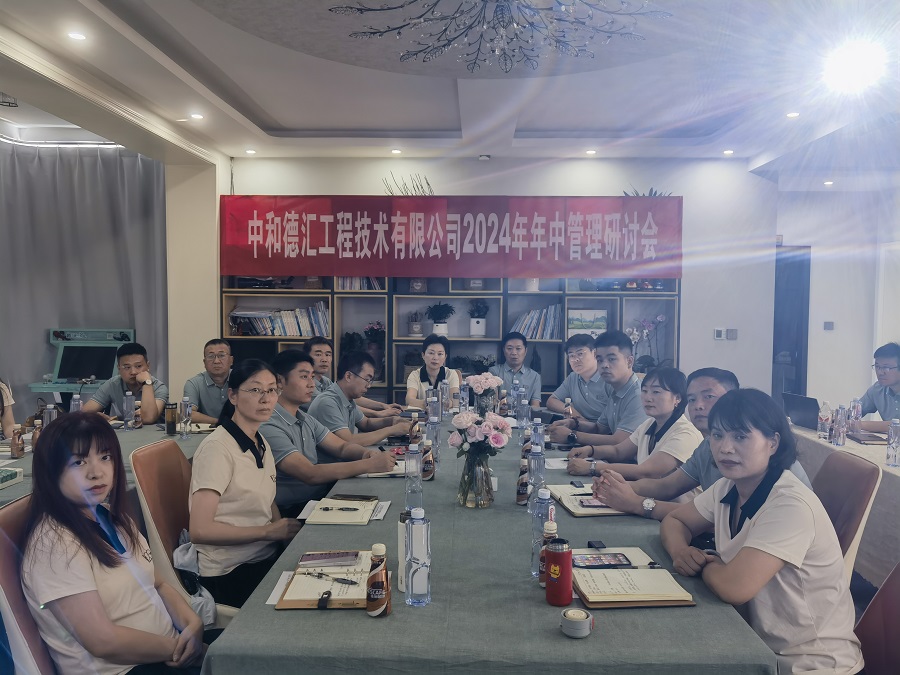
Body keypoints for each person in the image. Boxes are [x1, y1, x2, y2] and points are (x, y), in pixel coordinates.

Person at [661, 389, 863, 674]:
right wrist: (681, 552)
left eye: (740, 437)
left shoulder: (789, 504)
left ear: (773, 443)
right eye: (717, 435)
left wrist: (704, 562)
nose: (725, 448)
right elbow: (675, 521)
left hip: (811, 664)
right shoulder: (728, 486)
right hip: (755, 645)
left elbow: (734, 587)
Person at [21, 412, 211, 674]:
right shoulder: (54, 544)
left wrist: (193, 624)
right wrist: (187, 650)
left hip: (165, 652)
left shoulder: (110, 516)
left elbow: (157, 584)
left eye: (105, 457)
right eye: (78, 462)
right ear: (51, 472)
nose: (96, 473)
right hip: (128, 668)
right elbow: (102, 641)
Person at [594, 367, 810, 521]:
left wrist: (636, 503)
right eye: (692, 399)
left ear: (734, 399)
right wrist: (614, 488)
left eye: (708, 397)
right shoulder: (708, 445)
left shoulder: (770, 466)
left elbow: (710, 519)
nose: (698, 406)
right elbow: (667, 486)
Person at [188, 359, 301, 607]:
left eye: (272, 390)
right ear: (233, 396)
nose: (266, 399)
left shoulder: (260, 441)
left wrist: (284, 538)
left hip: (264, 558)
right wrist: (268, 532)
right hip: (231, 572)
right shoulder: (217, 449)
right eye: (256, 390)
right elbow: (200, 530)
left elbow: (268, 501)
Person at [260, 350, 396, 518]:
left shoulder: (305, 418)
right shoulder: (269, 424)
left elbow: (341, 447)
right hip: (294, 510)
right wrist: (370, 464)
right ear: (279, 381)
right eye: (304, 377)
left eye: (312, 377)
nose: (311, 384)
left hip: (319, 497)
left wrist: (367, 454)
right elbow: (309, 473)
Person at [568, 367, 702, 483]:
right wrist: (590, 450)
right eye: (644, 391)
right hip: (648, 496)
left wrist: (592, 467)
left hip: (673, 503)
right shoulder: (649, 424)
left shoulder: (685, 434)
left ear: (677, 398)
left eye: (656, 392)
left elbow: (647, 472)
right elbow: (618, 451)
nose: (648, 398)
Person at [555, 330, 647, 451]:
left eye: (611, 359)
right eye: (600, 360)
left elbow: (619, 441)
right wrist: (574, 424)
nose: (604, 365)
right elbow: (599, 428)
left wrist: (572, 436)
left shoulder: (639, 395)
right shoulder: (616, 391)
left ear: (629, 361)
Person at [310, 351, 413, 446]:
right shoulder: (327, 402)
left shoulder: (347, 398)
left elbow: (366, 423)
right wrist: (392, 430)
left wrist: (392, 421)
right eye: (367, 379)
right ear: (348, 376)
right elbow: (348, 441)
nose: (369, 386)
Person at [305, 336, 401, 418]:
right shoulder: (307, 386)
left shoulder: (325, 381)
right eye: (318, 354)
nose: (324, 359)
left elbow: (348, 398)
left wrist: (383, 406)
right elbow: (340, 406)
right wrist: (377, 413)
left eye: (328, 354)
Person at [83, 343, 167, 424]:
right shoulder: (112, 384)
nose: (133, 372)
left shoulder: (159, 387)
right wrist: (95, 417)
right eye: (127, 367)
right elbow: (83, 413)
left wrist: (147, 383)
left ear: (148, 366)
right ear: (119, 369)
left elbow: (148, 418)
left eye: (138, 366)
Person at [545, 334, 607, 421]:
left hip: (606, 428)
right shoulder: (573, 377)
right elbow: (551, 401)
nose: (576, 359)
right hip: (579, 425)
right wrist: (572, 412)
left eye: (580, 354)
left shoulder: (608, 378)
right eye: (571, 356)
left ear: (595, 353)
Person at [182, 339, 233, 425]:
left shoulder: (242, 379)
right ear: (204, 362)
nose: (216, 361)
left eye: (222, 355)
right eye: (211, 356)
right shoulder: (193, 384)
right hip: (207, 431)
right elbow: (188, 413)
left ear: (231, 360)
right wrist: (220, 423)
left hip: (238, 430)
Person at [405, 334, 460, 408]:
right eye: (431, 353)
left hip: (445, 414)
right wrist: (427, 404)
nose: (435, 358)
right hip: (422, 414)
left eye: (440, 354)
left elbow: (455, 400)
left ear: (445, 357)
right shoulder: (415, 375)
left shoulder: (451, 374)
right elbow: (409, 400)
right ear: (423, 355)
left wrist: (438, 404)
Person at [489, 331, 542, 408]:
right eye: (509, 348)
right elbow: (492, 402)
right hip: (500, 414)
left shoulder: (535, 376)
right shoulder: (494, 372)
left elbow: (535, 405)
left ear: (525, 351)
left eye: (518, 348)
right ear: (504, 350)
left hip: (524, 414)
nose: (514, 353)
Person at [858, 341, 900, 433]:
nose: (880, 372)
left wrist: (860, 425)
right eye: (877, 367)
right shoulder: (877, 389)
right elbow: (855, 412)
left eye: (886, 368)